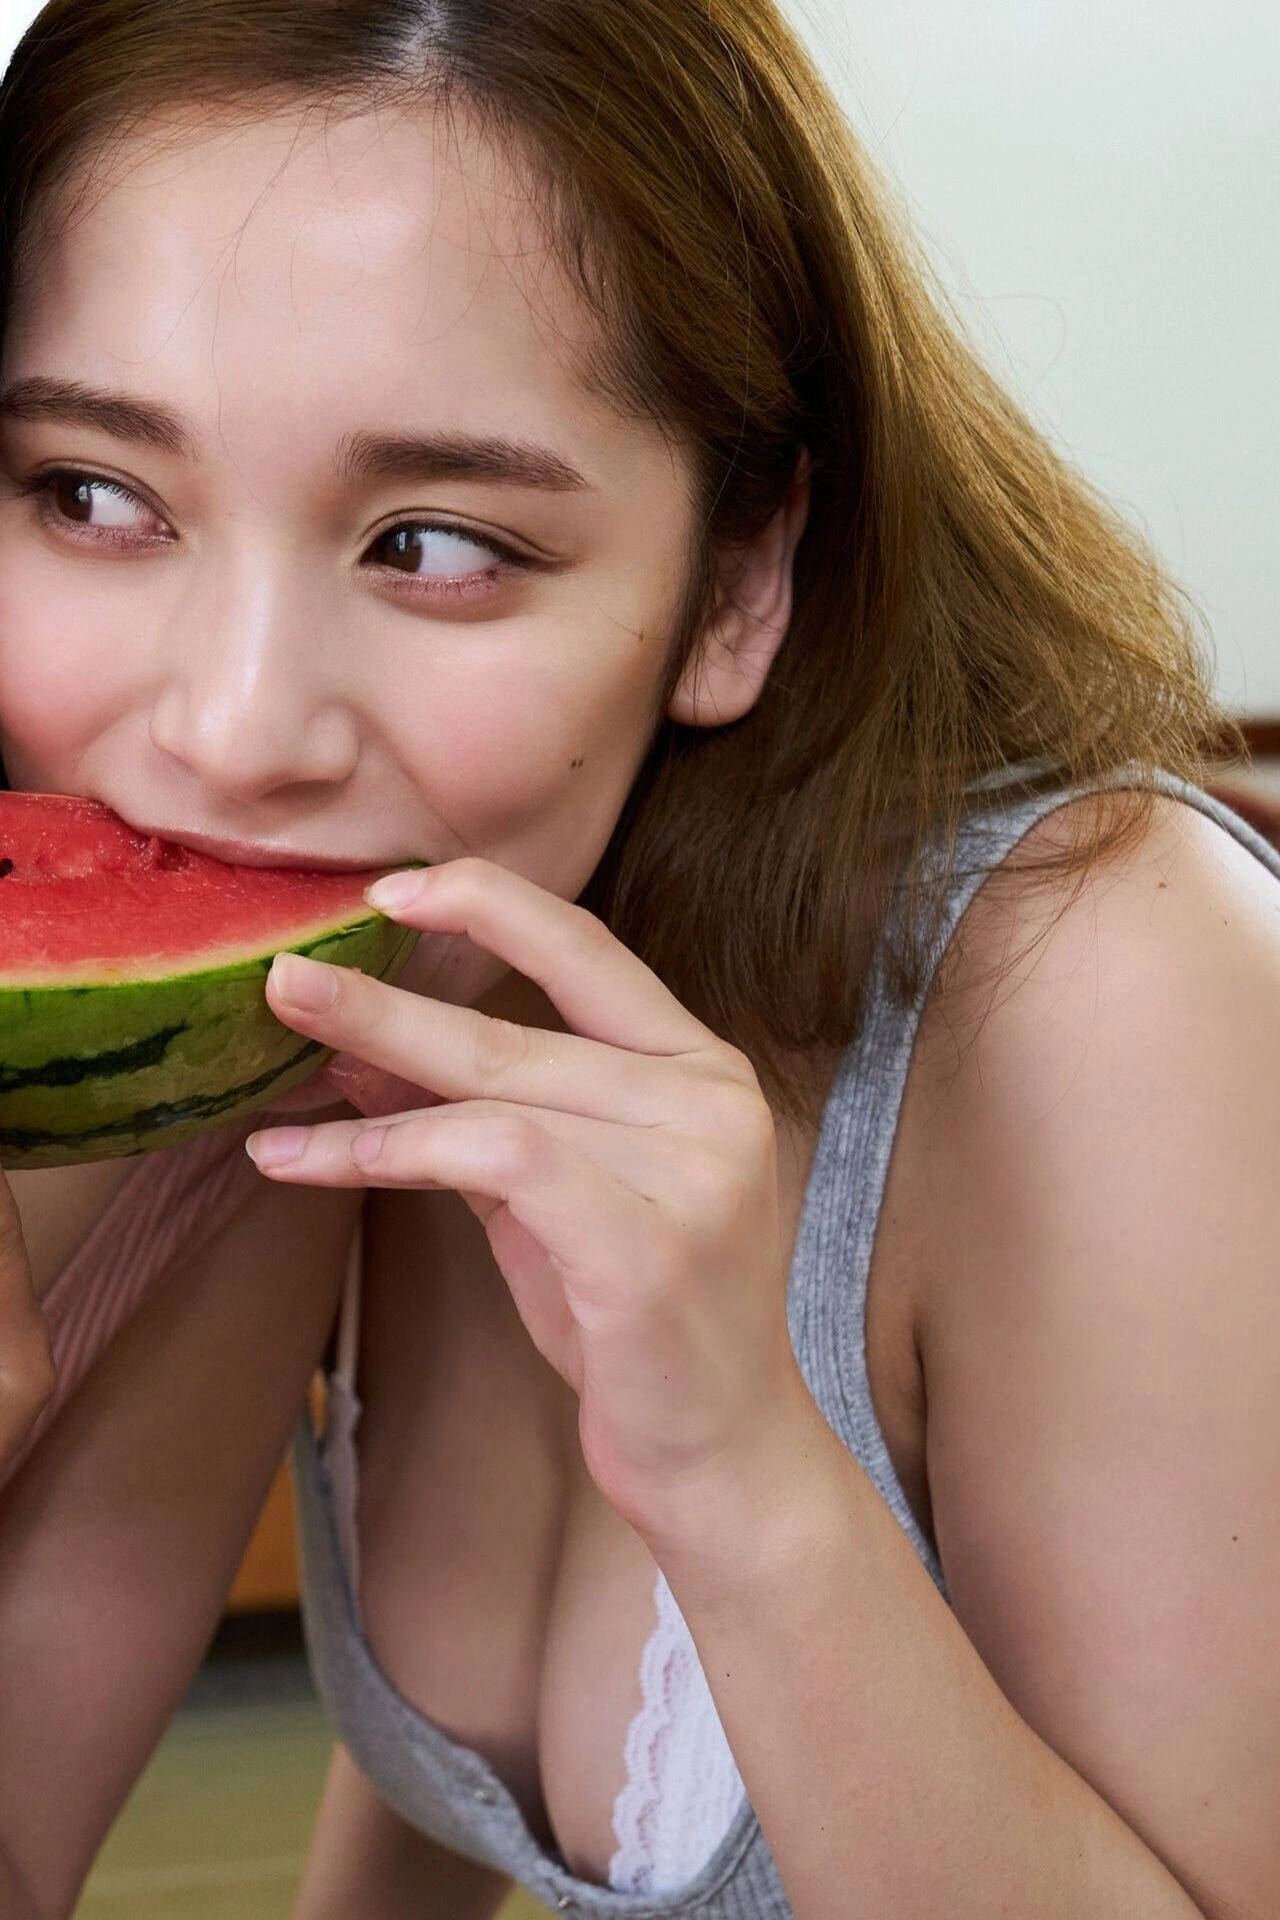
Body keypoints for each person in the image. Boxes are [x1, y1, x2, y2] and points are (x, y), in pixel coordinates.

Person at [0, 2, 1275, 1916]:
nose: (239, 731)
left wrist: (745, 1483)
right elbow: (427, 1795)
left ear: (739, 584)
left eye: (436, 543)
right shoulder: (296, 1044)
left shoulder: (1111, 988)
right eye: (94, 496)